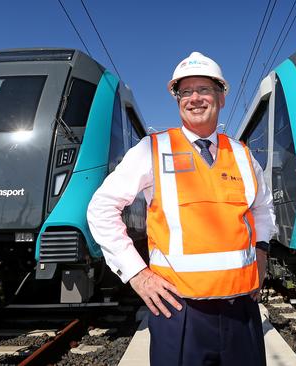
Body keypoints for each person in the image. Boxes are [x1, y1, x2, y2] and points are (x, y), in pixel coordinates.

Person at [87, 51, 276, 366]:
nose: (195, 98)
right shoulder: (152, 149)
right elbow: (101, 208)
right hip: (178, 312)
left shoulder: (243, 154)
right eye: (185, 92)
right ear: (177, 100)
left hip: (241, 310)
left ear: (221, 97)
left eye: (204, 90)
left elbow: (264, 209)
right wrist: (136, 274)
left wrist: (262, 253)